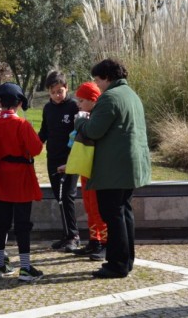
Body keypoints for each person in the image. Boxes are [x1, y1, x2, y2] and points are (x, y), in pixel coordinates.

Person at [75, 59, 151, 279]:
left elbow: (94, 130)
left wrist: (80, 122)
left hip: (113, 168)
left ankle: (117, 264)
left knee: (112, 214)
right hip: (131, 165)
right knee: (124, 212)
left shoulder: (110, 98)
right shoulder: (131, 95)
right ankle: (127, 260)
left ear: (107, 77)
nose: (97, 85)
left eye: (98, 80)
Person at [0, 83, 44, 282]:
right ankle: (25, 267)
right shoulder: (23, 125)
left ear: (0, 102)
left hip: (1, 176)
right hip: (21, 178)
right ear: (19, 103)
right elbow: (36, 149)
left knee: (1, 222)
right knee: (22, 224)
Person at [58, 82, 108, 261]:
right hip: (87, 171)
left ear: (93, 100)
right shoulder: (86, 117)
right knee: (89, 206)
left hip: (96, 172)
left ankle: (105, 243)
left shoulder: (97, 119)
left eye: (82, 100)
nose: (78, 104)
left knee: (97, 208)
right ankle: (95, 240)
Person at [38, 70, 81, 252]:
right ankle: (66, 234)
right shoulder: (47, 108)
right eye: (53, 92)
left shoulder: (73, 107)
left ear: (66, 88)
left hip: (69, 159)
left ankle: (74, 236)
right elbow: (44, 132)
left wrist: (72, 159)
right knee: (59, 197)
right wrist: (32, 145)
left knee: (67, 196)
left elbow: (79, 134)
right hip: (52, 158)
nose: (57, 95)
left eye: (60, 91)